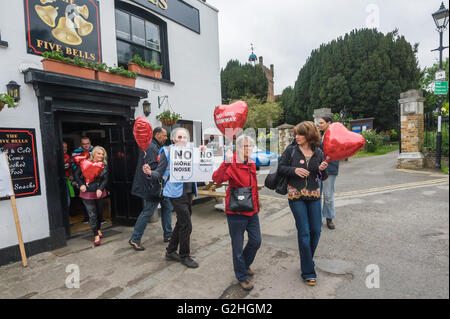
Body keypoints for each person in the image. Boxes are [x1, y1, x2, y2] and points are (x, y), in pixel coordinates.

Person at [278, 121, 328, 286]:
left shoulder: (319, 152)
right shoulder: (291, 150)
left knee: (316, 231)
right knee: (304, 232)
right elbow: (280, 167)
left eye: (300, 134)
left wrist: (322, 169)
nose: (297, 137)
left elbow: (323, 176)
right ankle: (308, 271)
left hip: (314, 195)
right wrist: (294, 170)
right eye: (296, 134)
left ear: (309, 136)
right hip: (296, 195)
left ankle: (306, 260)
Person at [145, 127, 204, 268]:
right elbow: (159, 173)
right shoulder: (167, 151)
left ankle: (171, 251)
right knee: (187, 224)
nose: (182, 140)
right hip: (175, 193)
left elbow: (202, 165)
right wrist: (149, 172)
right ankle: (184, 255)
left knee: (182, 222)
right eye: (179, 137)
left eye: (184, 137)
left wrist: (202, 152)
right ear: (173, 139)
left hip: (189, 191)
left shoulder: (192, 150)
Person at [212, 135, 261, 291]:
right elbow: (217, 179)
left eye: (251, 146)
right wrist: (225, 163)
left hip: (252, 210)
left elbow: (252, 186)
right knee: (237, 247)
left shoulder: (251, 163)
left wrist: (257, 204)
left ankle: (245, 265)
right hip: (236, 212)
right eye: (246, 146)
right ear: (239, 148)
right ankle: (241, 276)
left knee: (256, 241)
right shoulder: (231, 162)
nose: (249, 149)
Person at [129, 127, 173, 251]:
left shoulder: (155, 146)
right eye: (164, 135)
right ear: (157, 134)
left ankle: (168, 235)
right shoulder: (152, 148)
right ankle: (135, 239)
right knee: (148, 212)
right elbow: (152, 168)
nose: (166, 138)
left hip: (160, 186)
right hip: (154, 187)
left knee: (167, 207)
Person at [74, 146, 109, 246]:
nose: (101, 156)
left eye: (102, 154)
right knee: (92, 215)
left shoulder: (104, 165)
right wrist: (81, 184)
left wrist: (100, 189)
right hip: (87, 193)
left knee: (99, 213)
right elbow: (76, 175)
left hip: (99, 193)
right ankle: (96, 235)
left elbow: (105, 179)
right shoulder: (84, 163)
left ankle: (98, 229)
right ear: (93, 153)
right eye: (99, 153)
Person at [318, 116, 339, 230]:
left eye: (321, 123)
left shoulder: (335, 136)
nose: (319, 125)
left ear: (329, 123)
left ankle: (329, 218)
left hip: (330, 169)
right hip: (317, 169)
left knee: (328, 195)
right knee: (316, 194)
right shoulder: (319, 135)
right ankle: (317, 218)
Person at [71, 137, 95, 224]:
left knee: (96, 197)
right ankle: (86, 217)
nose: (86, 146)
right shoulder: (75, 152)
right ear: (81, 144)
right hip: (82, 177)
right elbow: (72, 164)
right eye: (84, 144)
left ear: (90, 143)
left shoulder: (95, 150)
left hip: (94, 177)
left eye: (87, 143)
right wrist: (81, 170)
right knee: (85, 198)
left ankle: (99, 218)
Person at [63, 141, 74, 208]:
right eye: (63, 147)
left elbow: (70, 167)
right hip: (59, 181)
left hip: (67, 180)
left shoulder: (67, 156)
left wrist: (71, 175)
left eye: (66, 147)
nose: (65, 149)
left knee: (68, 197)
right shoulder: (55, 156)